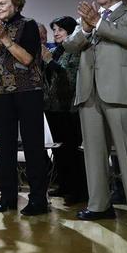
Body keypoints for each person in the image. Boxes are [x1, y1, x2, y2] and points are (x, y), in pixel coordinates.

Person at [63, 0, 127, 230]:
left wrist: (99, 23)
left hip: (124, 93)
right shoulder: (89, 19)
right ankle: (99, 206)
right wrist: (84, 26)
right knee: (94, 154)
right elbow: (70, 46)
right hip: (90, 94)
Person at [0, 0, 48, 215]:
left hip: (28, 91)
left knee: (33, 146)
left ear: (16, 4)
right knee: (5, 146)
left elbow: (28, 59)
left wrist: (5, 40)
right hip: (1, 93)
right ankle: (7, 197)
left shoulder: (28, 24)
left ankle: (38, 199)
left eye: (2, 3)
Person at [42, 16, 87, 205]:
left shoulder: (74, 50)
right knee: (59, 150)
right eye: (54, 30)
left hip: (70, 107)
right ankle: (64, 185)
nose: (56, 33)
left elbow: (68, 75)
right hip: (53, 107)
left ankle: (78, 191)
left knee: (72, 150)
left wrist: (49, 61)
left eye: (60, 29)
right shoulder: (56, 50)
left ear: (70, 31)